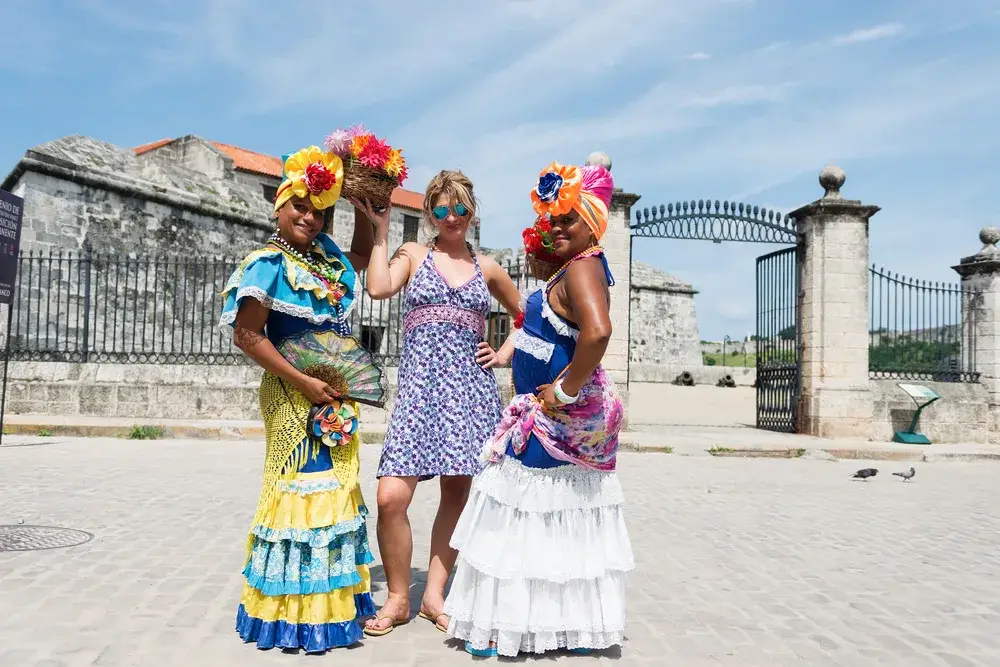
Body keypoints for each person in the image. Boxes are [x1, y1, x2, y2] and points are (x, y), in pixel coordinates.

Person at [443, 160, 633, 658]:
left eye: (569, 218)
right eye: (553, 219)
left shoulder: (587, 264)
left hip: (554, 424)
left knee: (530, 515)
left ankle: (521, 624)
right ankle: (534, 625)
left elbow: (598, 332)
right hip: (539, 422)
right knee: (536, 519)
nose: (556, 227)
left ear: (593, 222)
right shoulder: (571, 269)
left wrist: (565, 390)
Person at [219, 145, 379, 653]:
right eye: (301, 207)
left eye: (319, 210)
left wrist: (362, 210)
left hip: (335, 395)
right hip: (294, 398)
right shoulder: (266, 264)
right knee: (301, 494)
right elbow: (248, 336)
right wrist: (302, 382)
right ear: (279, 204)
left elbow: (358, 260)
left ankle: (330, 608)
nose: (310, 217)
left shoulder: (328, 259)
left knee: (334, 491)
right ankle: (293, 614)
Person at [358, 169, 522, 637]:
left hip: (469, 394)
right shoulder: (414, 254)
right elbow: (377, 288)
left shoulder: (486, 267)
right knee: (391, 497)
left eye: (461, 208)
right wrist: (383, 232)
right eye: (443, 209)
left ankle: (433, 594)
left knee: (457, 494)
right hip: (418, 393)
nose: (453, 217)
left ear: (473, 211)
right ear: (430, 213)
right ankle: (396, 596)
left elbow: (525, 314)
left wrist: (504, 352)